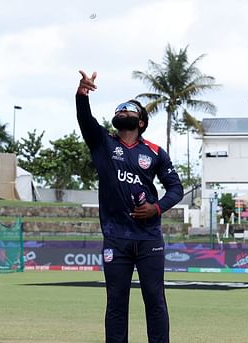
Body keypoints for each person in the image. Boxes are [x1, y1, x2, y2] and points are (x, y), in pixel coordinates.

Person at [76, 70, 183, 343]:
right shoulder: (103, 143)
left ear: (142, 122)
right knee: (116, 303)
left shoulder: (156, 152)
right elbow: (85, 121)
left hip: (148, 238)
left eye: (129, 109)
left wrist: (155, 209)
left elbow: (176, 189)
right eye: (120, 109)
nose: (123, 111)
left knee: (155, 300)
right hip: (116, 237)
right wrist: (82, 95)